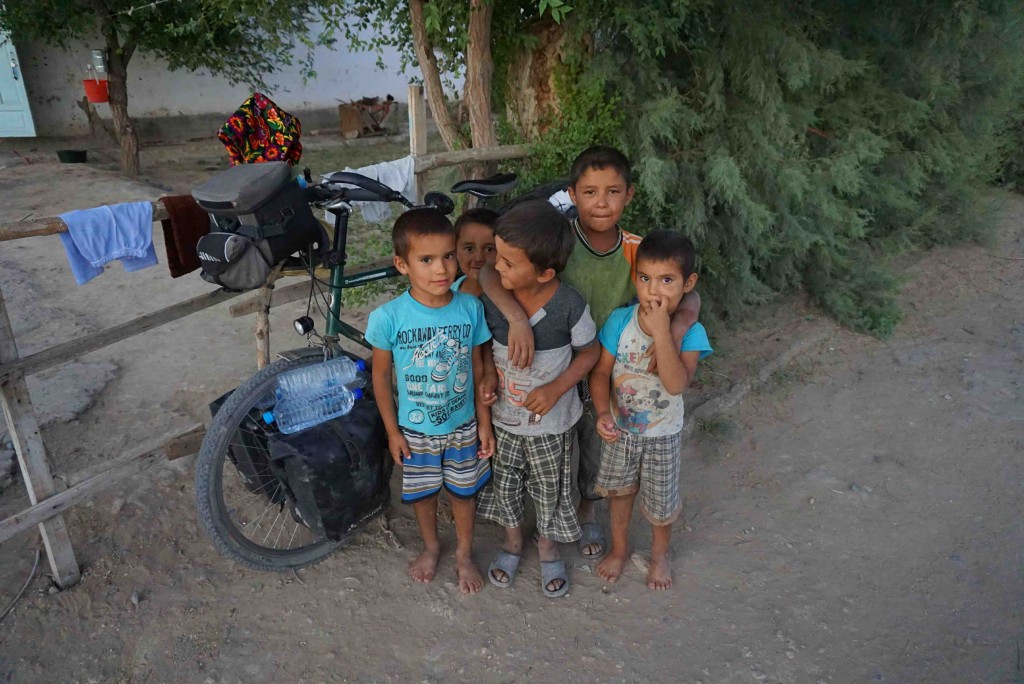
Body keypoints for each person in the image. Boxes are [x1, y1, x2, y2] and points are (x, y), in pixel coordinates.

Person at [479, 145, 701, 560]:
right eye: (590, 191)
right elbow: (491, 271)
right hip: (558, 360)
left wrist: (676, 327)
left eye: (613, 191)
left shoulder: (638, 249)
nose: (602, 202)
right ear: (572, 194)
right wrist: (516, 318)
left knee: (596, 442)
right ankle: (543, 513)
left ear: (629, 195)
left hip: (613, 366)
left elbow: (690, 296)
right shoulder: (558, 240)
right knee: (554, 441)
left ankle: (587, 509)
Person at [365, 208, 495, 594]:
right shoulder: (388, 317)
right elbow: (381, 378)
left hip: (463, 426)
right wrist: (392, 432)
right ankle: (433, 545)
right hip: (415, 429)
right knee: (423, 494)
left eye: (448, 256)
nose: (441, 269)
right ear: (402, 264)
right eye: (426, 259)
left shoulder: (470, 308)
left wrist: (484, 424)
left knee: (463, 493)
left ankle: (464, 553)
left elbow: (476, 368)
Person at [476, 201, 600, 598]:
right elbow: (484, 342)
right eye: (499, 255)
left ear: (545, 273)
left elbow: (591, 352)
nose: (498, 267)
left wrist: (556, 387)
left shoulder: (568, 305)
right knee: (506, 486)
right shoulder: (497, 298)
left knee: (553, 490)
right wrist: (490, 374)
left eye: (509, 263)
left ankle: (548, 549)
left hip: (552, 426)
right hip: (505, 421)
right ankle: (512, 542)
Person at [588, 230, 712, 590]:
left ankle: (659, 556)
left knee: (660, 504)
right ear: (635, 278)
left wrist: (663, 333)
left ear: (688, 283)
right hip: (621, 432)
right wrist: (601, 413)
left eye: (667, 280)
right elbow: (599, 373)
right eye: (645, 278)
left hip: (662, 436)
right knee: (620, 494)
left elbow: (675, 384)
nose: (654, 290)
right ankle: (620, 549)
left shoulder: (691, 333)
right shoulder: (619, 322)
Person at [452, 207, 499, 296]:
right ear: (455, 250)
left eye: (489, 249)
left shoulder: (516, 299)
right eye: (469, 249)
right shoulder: (440, 297)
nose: (479, 258)